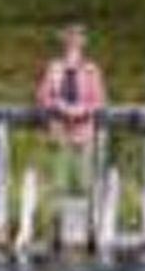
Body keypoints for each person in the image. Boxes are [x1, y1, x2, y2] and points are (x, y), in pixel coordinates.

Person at [35, 23, 106, 196]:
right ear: (64, 42)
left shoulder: (91, 69)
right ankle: (59, 216)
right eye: (70, 38)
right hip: (59, 126)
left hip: (83, 126)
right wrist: (58, 105)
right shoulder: (54, 67)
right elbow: (42, 96)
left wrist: (82, 109)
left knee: (84, 180)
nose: (73, 42)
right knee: (59, 179)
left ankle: (87, 218)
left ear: (83, 43)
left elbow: (99, 100)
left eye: (77, 38)